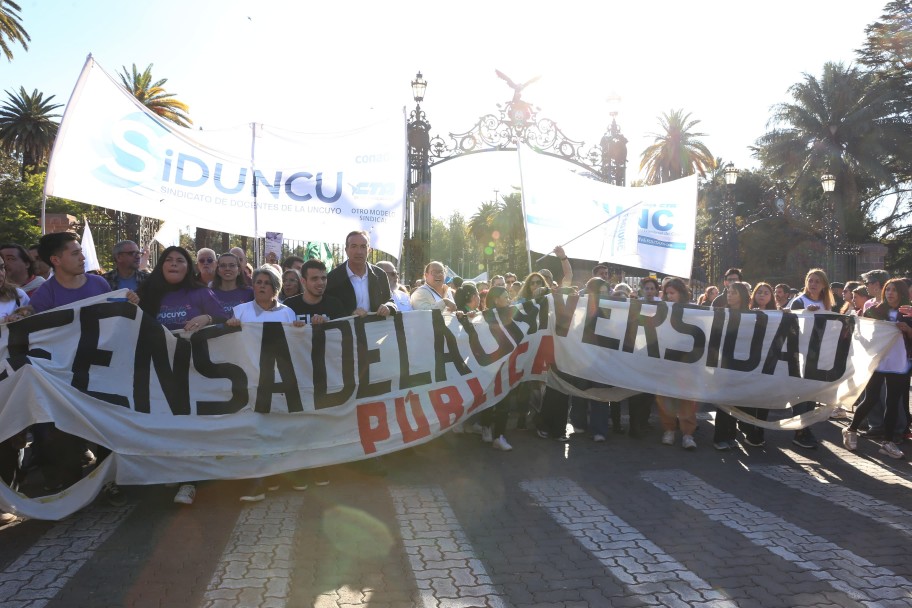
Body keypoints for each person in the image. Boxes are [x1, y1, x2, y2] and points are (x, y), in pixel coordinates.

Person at [31, 232, 138, 507]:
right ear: (56, 260)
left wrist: (130, 307)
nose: (83, 257)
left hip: (104, 372)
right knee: (65, 432)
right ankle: (72, 488)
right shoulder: (45, 295)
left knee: (108, 427)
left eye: (81, 251)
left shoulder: (100, 283)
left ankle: (110, 481)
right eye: (75, 253)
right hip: (64, 376)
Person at [138, 246, 225, 505]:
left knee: (191, 424)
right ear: (161, 265)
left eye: (180, 261)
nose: (174, 264)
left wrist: (207, 317)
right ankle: (174, 469)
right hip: (159, 370)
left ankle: (191, 480)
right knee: (167, 422)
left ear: (189, 267)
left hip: (195, 371)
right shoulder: (147, 293)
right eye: (169, 260)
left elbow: (228, 317)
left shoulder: (200, 292)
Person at [226, 266, 301, 502]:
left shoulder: (288, 313)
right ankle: (256, 480)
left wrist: (300, 330)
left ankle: (275, 476)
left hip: (278, 382)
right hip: (250, 381)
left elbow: (297, 345)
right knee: (254, 430)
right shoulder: (239, 311)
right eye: (257, 281)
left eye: (266, 283)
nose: (260, 286)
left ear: (275, 288)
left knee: (277, 429)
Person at [843, 278, 911, 460]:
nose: (890, 293)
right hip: (879, 360)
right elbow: (867, 335)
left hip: (900, 362)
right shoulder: (874, 310)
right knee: (871, 397)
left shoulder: (908, 310)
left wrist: (907, 329)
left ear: (901, 292)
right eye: (888, 289)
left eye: (894, 290)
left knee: (893, 401)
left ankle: (888, 442)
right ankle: (851, 429)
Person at [788, 268, 837, 449]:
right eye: (810, 280)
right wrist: (805, 313)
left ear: (824, 285)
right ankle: (800, 431)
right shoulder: (799, 301)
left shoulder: (827, 304)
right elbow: (791, 326)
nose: (813, 284)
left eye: (817, 281)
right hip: (801, 353)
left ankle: (806, 427)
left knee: (812, 395)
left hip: (820, 353)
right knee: (801, 394)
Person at [655, 278, 698, 450]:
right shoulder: (662, 310)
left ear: (681, 293)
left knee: (687, 398)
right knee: (667, 397)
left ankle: (688, 433)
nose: (669, 296)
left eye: (672, 293)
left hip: (687, 364)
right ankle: (669, 430)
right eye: (667, 293)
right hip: (667, 362)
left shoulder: (694, 311)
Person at [713, 281, 751, 450]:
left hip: (742, 362)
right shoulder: (722, 313)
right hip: (724, 362)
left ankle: (731, 436)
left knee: (736, 399)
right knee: (723, 400)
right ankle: (720, 437)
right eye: (728, 291)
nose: (729, 295)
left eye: (734, 292)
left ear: (742, 295)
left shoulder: (751, 315)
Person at [325, 231, 395, 318]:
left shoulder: (380, 274)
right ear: (346, 250)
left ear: (369, 250)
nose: (359, 251)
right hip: (347, 330)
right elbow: (328, 309)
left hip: (376, 330)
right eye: (354, 246)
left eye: (363, 246)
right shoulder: (333, 277)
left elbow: (390, 301)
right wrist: (350, 314)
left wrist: (388, 307)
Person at [211, 252, 254, 317]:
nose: (227, 269)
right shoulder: (209, 294)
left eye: (232, 265)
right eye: (223, 265)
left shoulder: (250, 293)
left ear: (239, 270)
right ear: (218, 271)